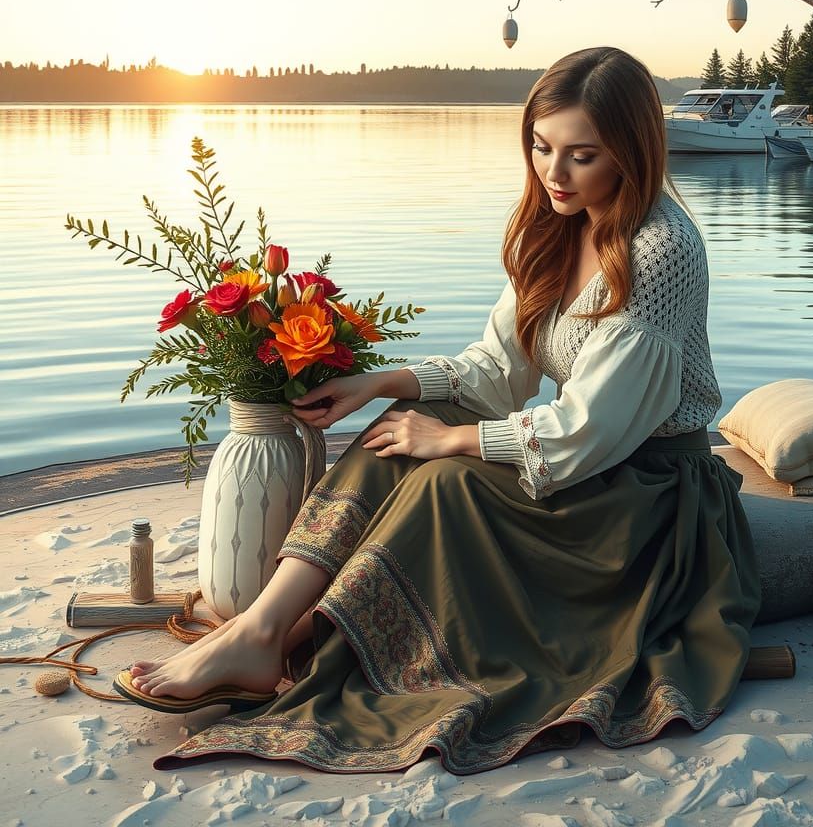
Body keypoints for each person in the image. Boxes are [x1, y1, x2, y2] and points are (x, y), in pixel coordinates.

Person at [125, 45, 763, 775]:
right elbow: (494, 372)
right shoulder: (554, 228)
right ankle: (263, 631)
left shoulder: (661, 249)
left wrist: (453, 440)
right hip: (584, 470)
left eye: (581, 156)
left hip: (647, 503)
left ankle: (281, 633)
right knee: (390, 437)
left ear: (631, 150)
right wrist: (381, 382)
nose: (554, 174)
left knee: (441, 477)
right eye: (541, 147)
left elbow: (590, 428)